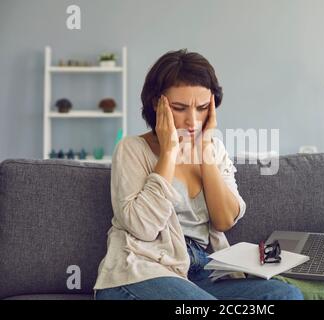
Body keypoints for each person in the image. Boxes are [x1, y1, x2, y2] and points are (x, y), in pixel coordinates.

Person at [93, 49, 303, 300]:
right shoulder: (132, 149)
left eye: (202, 108)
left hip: (203, 272)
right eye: (180, 108)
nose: (192, 121)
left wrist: (205, 151)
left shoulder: (213, 149)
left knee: (286, 296)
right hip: (143, 273)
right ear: (156, 104)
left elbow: (225, 220)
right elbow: (142, 228)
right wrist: (169, 153)